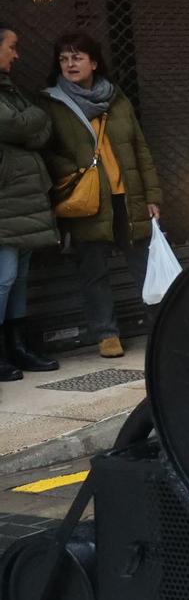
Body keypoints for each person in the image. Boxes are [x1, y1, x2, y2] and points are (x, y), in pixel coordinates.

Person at [42, 33, 160, 359]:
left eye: (77, 57)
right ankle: (106, 334)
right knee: (93, 270)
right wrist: (72, 171)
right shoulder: (53, 103)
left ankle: (162, 326)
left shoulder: (117, 98)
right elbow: (47, 151)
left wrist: (152, 195)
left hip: (127, 195)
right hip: (88, 200)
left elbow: (140, 149)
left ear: (94, 62)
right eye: (64, 59)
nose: (69, 64)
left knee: (145, 266)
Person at [0, 23, 58, 381]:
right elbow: (18, 127)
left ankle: (17, 348)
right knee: (4, 277)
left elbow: (40, 130)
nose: (17, 54)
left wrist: (30, 121)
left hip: (23, 198)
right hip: (6, 199)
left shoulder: (10, 89)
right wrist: (34, 116)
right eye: (11, 46)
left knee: (18, 277)